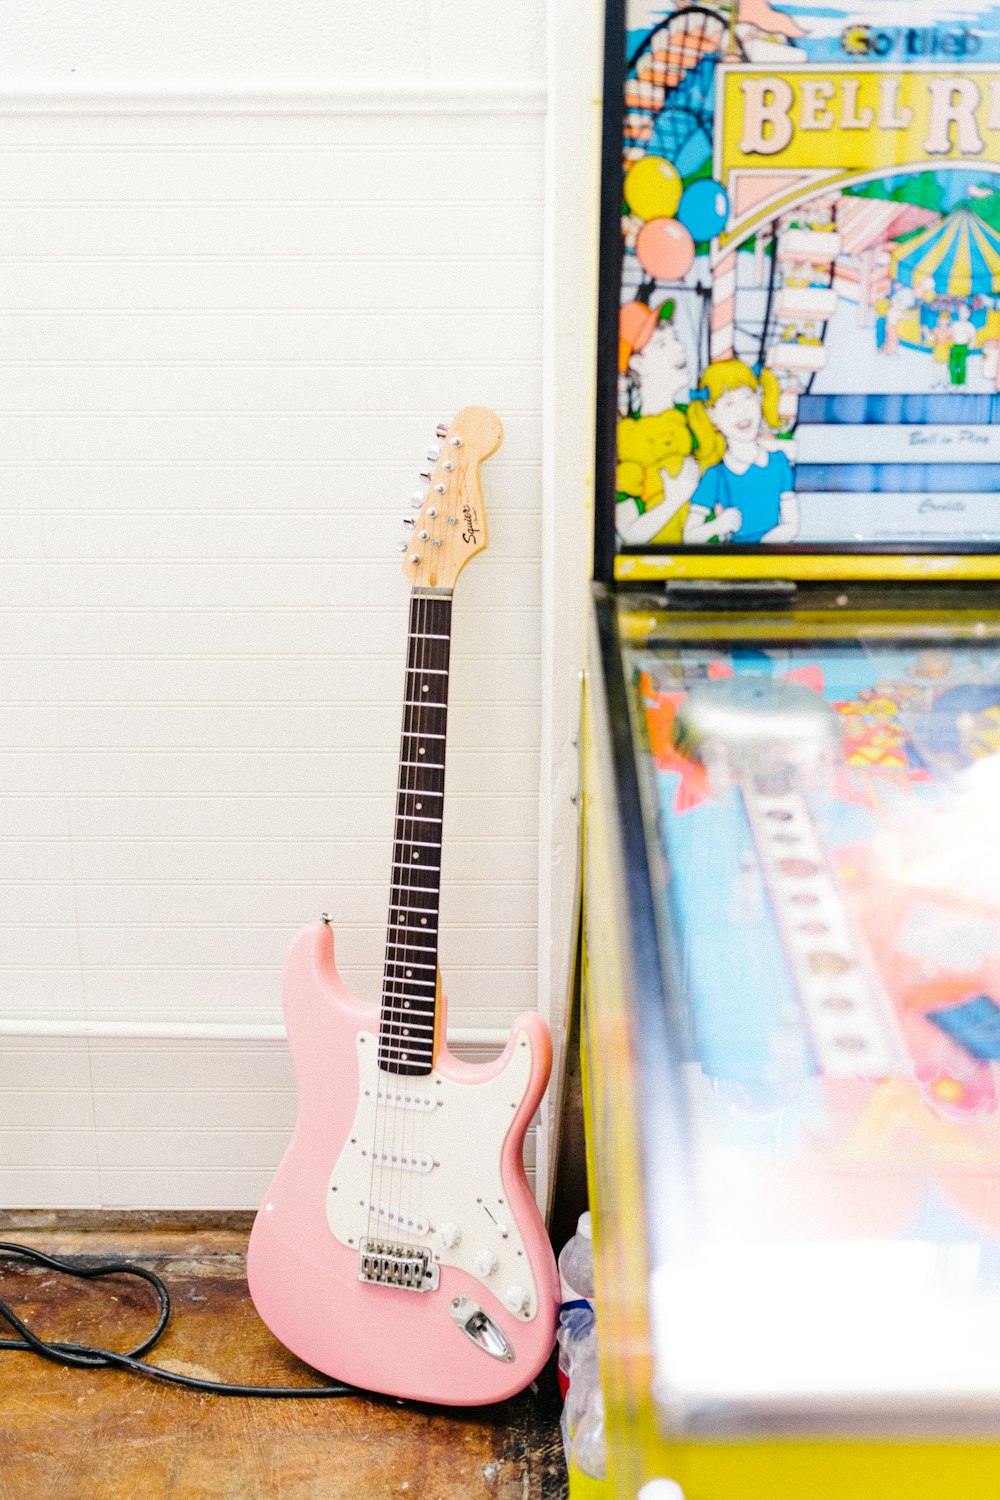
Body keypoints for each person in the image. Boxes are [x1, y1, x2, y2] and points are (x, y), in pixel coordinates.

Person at [684, 359, 799, 544]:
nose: (742, 411)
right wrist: (717, 526)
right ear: (711, 415)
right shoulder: (715, 475)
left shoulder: (779, 462)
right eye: (729, 404)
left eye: (747, 397)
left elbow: (791, 526)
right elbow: (689, 536)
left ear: (759, 399)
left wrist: (760, 553)